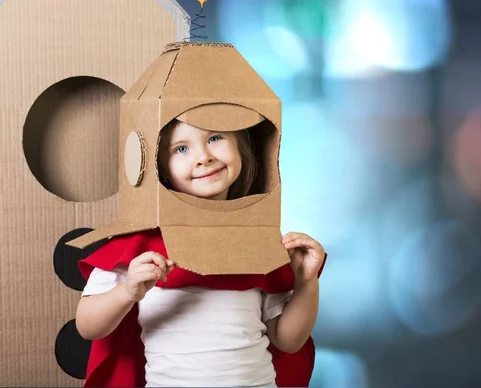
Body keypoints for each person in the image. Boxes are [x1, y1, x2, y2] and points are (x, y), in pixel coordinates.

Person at [75, 119, 327, 387]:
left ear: (241, 145)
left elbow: (288, 340)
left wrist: (306, 284)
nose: (204, 157)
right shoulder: (135, 248)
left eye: (215, 137)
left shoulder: (259, 238)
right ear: (162, 170)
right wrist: (127, 292)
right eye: (181, 149)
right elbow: (88, 326)